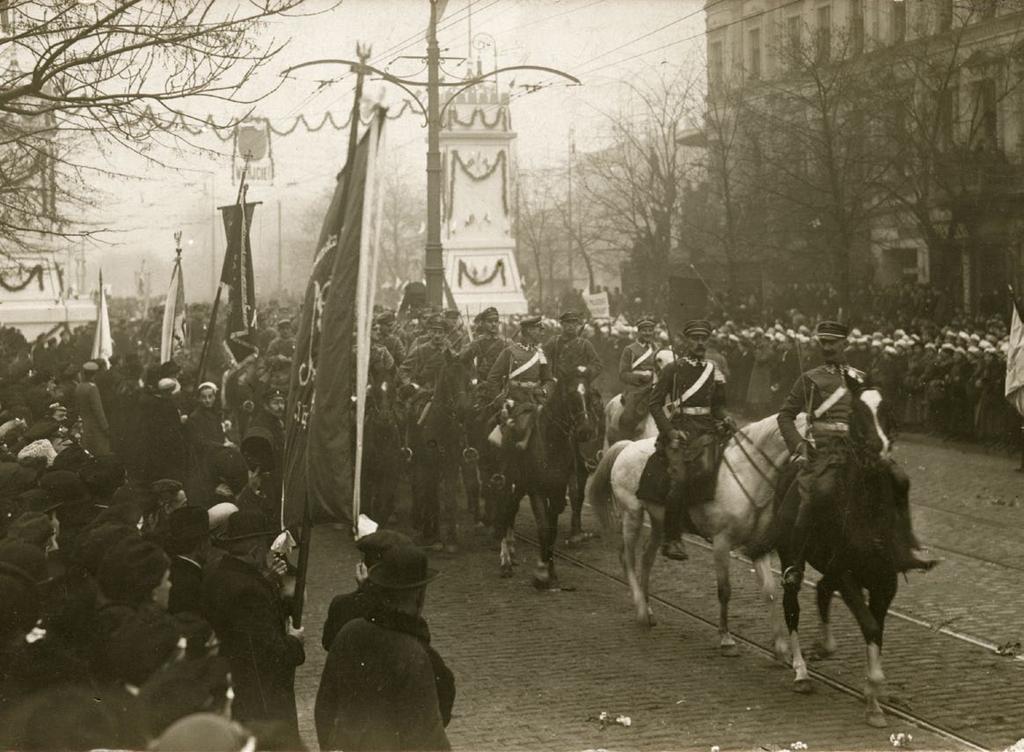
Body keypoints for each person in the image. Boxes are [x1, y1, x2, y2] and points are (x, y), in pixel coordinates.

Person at [776, 320, 933, 586]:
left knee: (900, 480)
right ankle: (795, 564)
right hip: (824, 453)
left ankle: (905, 547)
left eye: (832, 342)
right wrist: (799, 445)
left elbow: (881, 416)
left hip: (860, 452)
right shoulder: (810, 378)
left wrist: (884, 439)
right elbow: (785, 416)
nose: (827, 347)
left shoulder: (861, 378)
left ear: (844, 344)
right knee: (813, 497)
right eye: (823, 342)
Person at [315, 543, 451, 752]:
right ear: (419, 595)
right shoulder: (415, 654)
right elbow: (429, 739)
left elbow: (324, 708)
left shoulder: (349, 632)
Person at [201, 509, 304, 748]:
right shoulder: (250, 592)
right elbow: (271, 652)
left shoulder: (220, 573)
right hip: (262, 697)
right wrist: (294, 641)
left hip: (238, 685)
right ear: (255, 548)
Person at [645, 319, 735, 561]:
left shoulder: (713, 369)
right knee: (680, 479)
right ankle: (672, 537)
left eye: (703, 338)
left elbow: (719, 406)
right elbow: (654, 404)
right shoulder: (672, 369)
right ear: (686, 341)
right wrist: (669, 431)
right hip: (680, 431)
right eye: (695, 338)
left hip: (707, 430)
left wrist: (726, 418)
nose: (699, 343)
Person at [484, 315, 555, 450]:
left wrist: (543, 391)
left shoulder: (540, 353)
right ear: (528, 330)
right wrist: (500, 401)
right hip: (513, 399)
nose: (542, 332)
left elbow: (549, 380)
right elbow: (492, 378)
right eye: (538, 329)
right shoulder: (510, 352)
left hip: (535, 399)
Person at [617, 315, 659, 436]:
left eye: (650, 330)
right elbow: (623, 374)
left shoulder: (657, 349)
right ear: (639, 331)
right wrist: (640, 377)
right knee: (628, 417)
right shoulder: (629, 350)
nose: (647, 333)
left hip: (655, 387)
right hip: (636, 389)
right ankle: (625, 439)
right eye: (644, 330)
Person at [75, 360, 111, 456]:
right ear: (94, 374)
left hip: (84, 425)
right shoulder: (92, 388)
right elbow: (98, 410)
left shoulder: (79, 386)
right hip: (95, 427)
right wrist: (105, 427)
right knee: (100, 453)